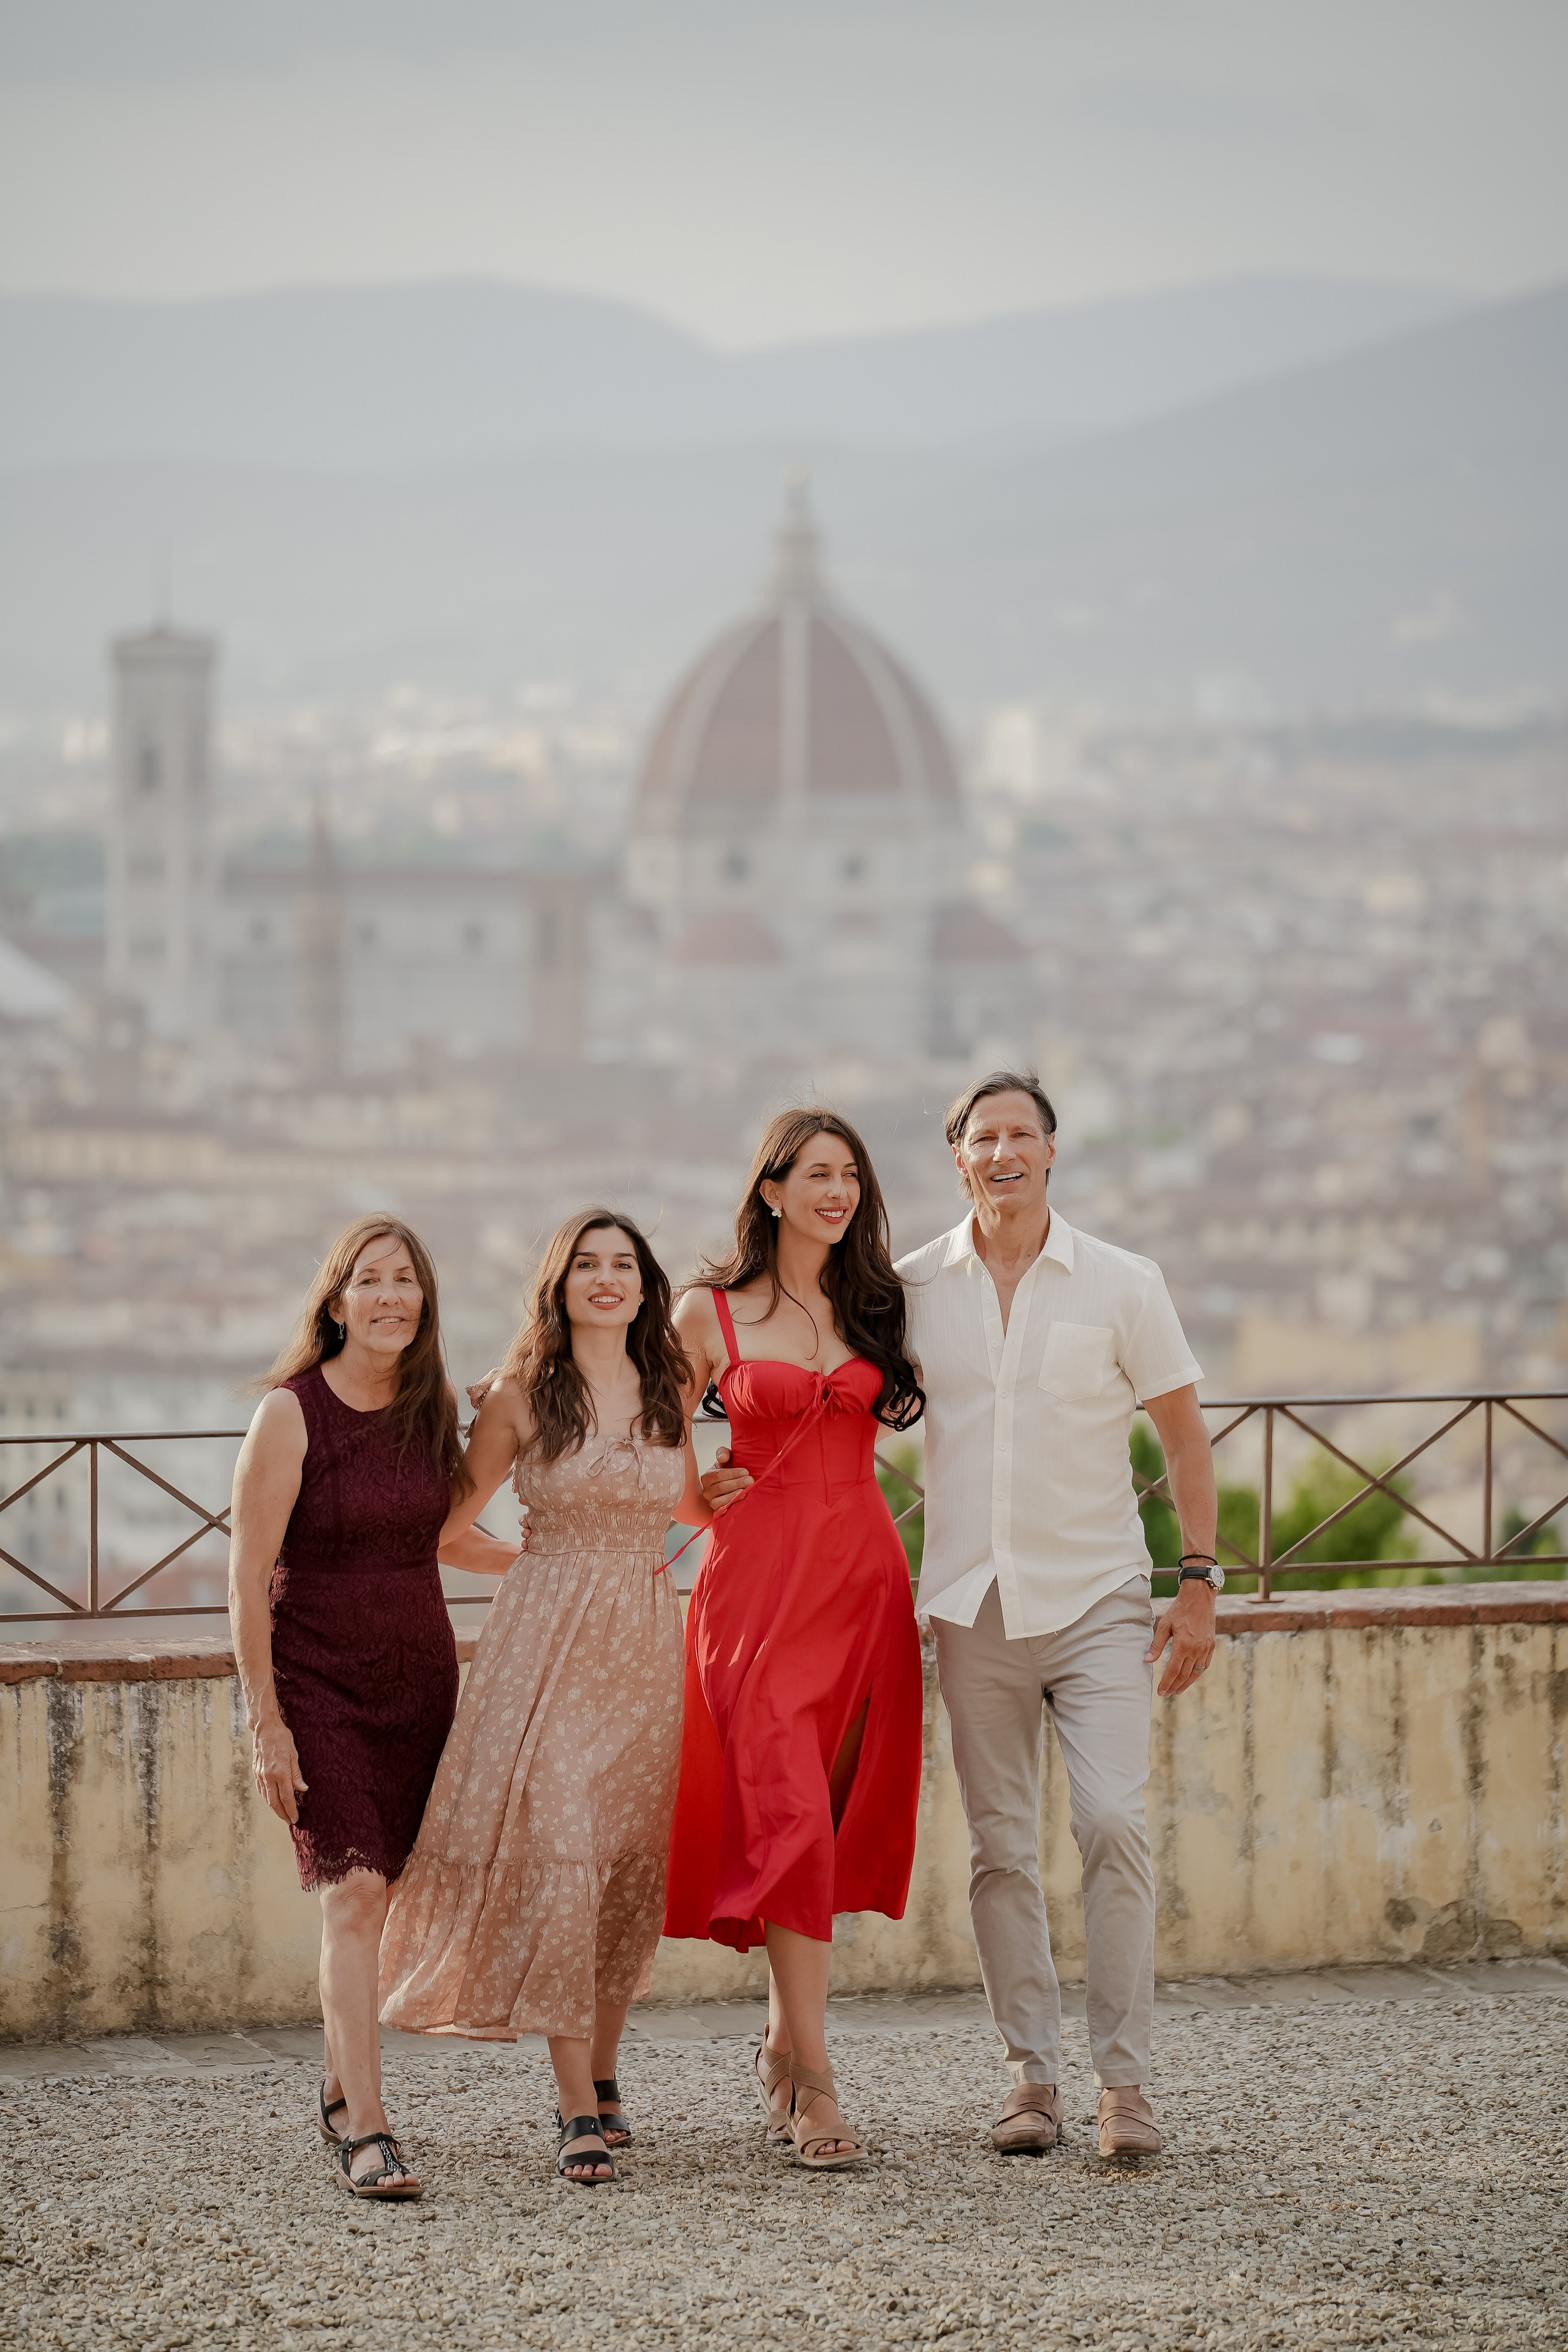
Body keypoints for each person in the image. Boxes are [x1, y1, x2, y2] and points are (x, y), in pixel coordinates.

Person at [898, 1071, 1219, 2161]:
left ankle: (1124, 2085)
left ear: (1051, 1151)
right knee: (999, 1849)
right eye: (982, 1137)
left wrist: (1200, 1582)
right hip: (970, 1607)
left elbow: (1183, 1435)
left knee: (1114, 1826)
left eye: (1020, 1134)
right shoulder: (910, 1290)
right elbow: (811, 1385)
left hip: (1097, 1601)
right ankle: (1030, 2077)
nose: (1003, 1153)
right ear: (958, 1157)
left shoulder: (1124, 1283)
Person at [378, 1209, 710, 2187]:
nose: (605, 1280)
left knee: (619, 1868)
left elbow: (680, 1500)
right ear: (559, 1286)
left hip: (647, 1649)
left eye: (622, 1266)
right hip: (550, 1648)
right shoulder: (520, 1396)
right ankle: (574, 2110)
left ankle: (603, 2079)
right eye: (586, 1266)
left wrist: (725, 1492)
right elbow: (446, 1528)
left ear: (645, 1286)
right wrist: (540, 1559)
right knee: (565, 1851)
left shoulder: (669, 1386)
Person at [229, 1217, 515, 2201]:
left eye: (408, 1281)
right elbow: (245, 1579)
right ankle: (370, 2125)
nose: (392, 1296)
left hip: (419, 1678)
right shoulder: (289, 1413)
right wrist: (265, 1722)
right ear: (337, 1300)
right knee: (352, 1894)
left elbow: (448, 1538)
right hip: (316, 1683)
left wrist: (555, 1562)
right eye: (371, 1280)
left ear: (425, 1302)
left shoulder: (430, 1405)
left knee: (386, 1897)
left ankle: (337, 2084)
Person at [666, 1109, 925, 2171]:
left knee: (819, 1813)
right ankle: (815, 2083)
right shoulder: (706, 1311)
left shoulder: (876, 1302)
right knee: (787, 1815)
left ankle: (781, 2043)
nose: (838, 1191)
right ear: (770, 1189)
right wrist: (694, 1503)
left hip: (864, 1580)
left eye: (850, 1175)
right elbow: (651, 1436)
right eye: (816, 1173)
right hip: (756, 1590)